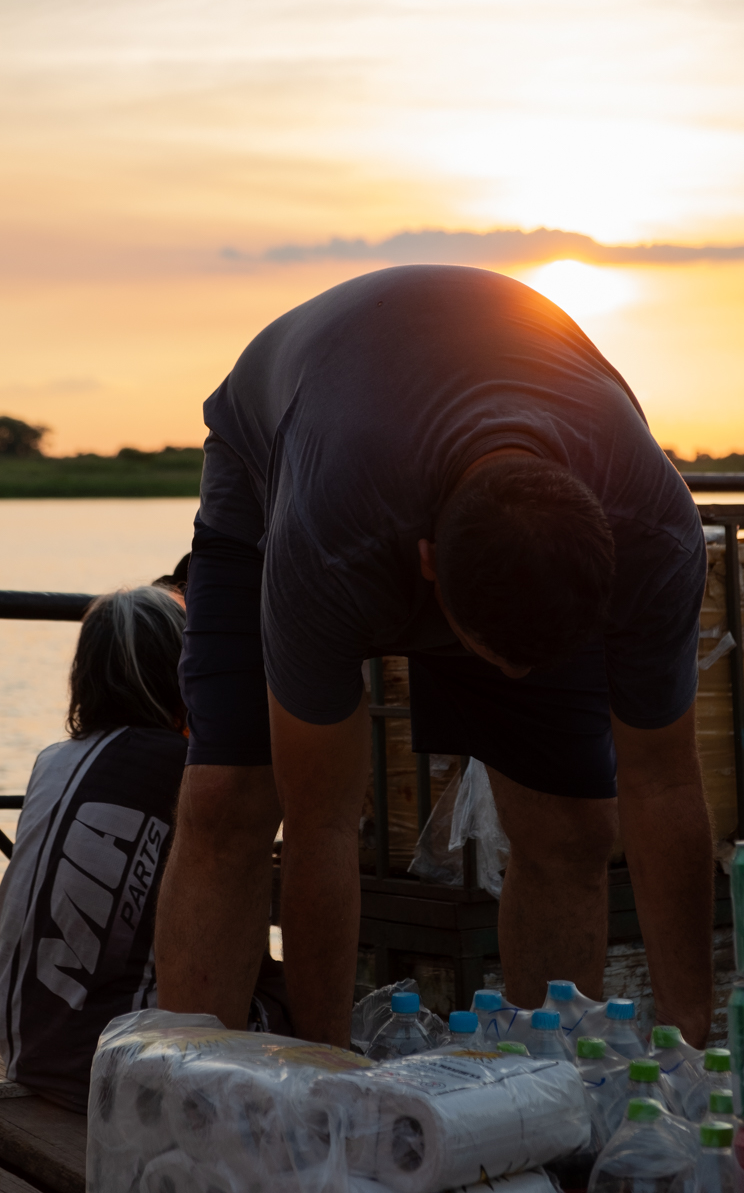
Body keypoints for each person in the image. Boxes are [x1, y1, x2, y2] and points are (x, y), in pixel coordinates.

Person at [155, 265, 712, 1050]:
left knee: (572, 827)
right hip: (278, 447)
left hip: (461, 456)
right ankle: (196, 1100)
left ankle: (547, 1096)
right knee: (231, 796)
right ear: (425, 569)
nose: (516, 682)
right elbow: (323, 827)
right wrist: (330, 1087)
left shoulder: (656, 531)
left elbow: (664, 785)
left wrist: (692, 1050)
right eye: (491, 656)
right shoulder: (333, 539)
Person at [0, 584, 290, 1113]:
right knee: (296, 1000)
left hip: (28, 1052)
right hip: (112, 1078)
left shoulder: (52, 760)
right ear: (184, 674)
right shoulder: (185, 772)